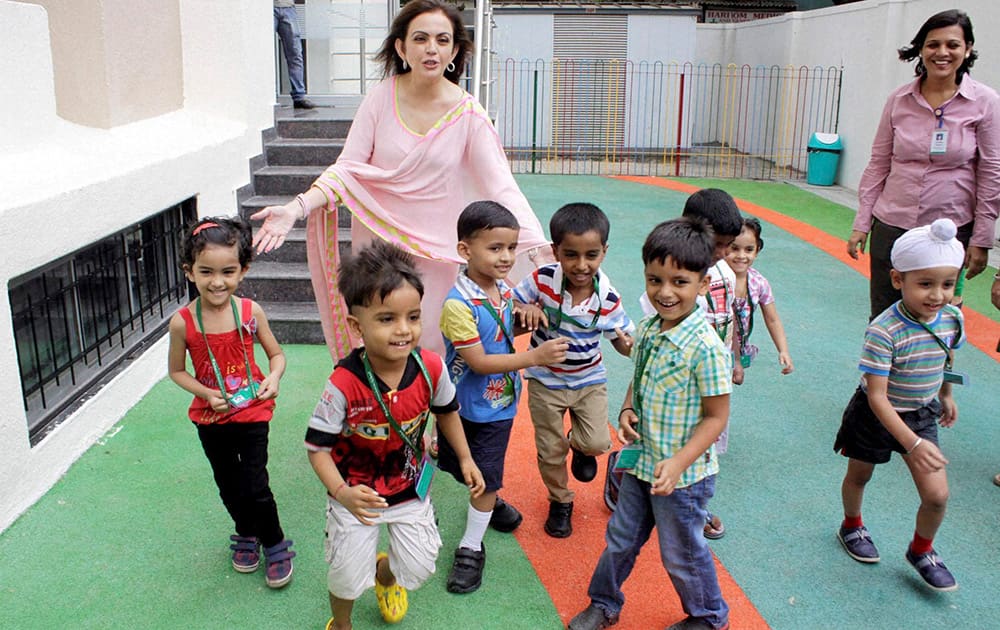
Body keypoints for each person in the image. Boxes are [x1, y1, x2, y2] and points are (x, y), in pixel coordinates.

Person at [252, 0, 551, 361]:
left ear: (454, 50)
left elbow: (501, 185)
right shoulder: (380, 98)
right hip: (379, 249)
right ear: (401, 47)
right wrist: (295, 208)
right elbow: (347, 169)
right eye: (421, 38)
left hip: (436, 255)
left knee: (431, 345)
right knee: (380, 342)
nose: (431, 48)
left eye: (442, 40)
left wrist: (538, 248)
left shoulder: (468, 113)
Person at [304, 240, 485, 629]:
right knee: (347, 577)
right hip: (357, 494)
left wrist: (467, 458)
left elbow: (448, 412)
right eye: (387, 319)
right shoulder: (343, 383)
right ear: (357, 326)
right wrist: (342, 493)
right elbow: (317, 448)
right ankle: (343, 623)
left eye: (413, 316)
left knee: (419, 567)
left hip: (407, 488)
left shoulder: (431, 368)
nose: (404, 330)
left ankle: (385, 575)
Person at [569, 217, 733, 630]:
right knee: (620, 540)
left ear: (702, 283)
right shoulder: (646, 330)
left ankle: (710, 616)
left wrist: (678, 463)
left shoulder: (707, 348)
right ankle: (604, 603)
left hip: (684, 476)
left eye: (679, 281)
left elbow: (716, 419)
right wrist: (626, 411)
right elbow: (638, 379)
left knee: (682, 554)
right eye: (654, 279)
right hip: (642, 464)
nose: (664, 292)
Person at [437, 201, 569, 594]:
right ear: (465, 250)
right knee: (457, 466)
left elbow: (503, 322)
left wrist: (525, 309)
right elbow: (477, 361)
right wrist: (535, 356)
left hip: (497, 407)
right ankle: (491, 504)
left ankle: (470, 545)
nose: (507, 257)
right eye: (495, 248)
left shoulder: (502, 290)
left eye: (511, 248)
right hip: (457, 406)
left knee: (486, 475)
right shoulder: (457, 305)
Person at [834, 218, 965, 592]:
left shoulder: (952, 318)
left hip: (921, 412)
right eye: (925, 284)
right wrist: (913, 443)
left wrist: (945, 394)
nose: (937, 295)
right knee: (860, 475)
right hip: (875, 414)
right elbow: (876, 396)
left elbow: (945, 357)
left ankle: (921, 549)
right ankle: (852, 524)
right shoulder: (883, 330)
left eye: (947, 284)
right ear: (897, 280)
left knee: (937, 495)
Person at [167, 216, 295, 589]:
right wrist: (206, 394)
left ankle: (273, 541)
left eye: (228, 271)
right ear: (190, 272)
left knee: (255, 483)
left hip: (253, 410)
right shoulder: (183, 323)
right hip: (211, 417)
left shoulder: (250, 312)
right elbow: (177, 371)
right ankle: (245, 531)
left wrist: (273, 378)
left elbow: (276, 355)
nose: (217, 281)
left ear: (244, 270)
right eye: (206, 271)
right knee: (227, 482)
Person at [847, 9, 999, 320]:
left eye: (953, 45)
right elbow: (878, 164)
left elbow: (991, 173)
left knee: (939, 318)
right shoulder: (898, 100)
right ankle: (881, 370)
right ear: (921, 49)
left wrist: (981, 238)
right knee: (885, 317)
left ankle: (933, 370)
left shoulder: (985, 102)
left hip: (950, 231)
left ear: (968, 49)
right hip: (893, 225)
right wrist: (862, 223)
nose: (942, 53)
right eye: (933, 44)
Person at [511, 202, 635, 539]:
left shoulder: (607, 297)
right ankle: (560, 500)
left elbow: (622, 342)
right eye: (571, 255)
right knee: (549, 450)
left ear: (604, 252)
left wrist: (626, 343)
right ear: (555, 251)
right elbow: (510, 301)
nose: (581, 265)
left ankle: (579, 446)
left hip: (589, 380)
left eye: (591, 255)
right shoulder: (542, 280)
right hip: (545, 380)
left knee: (598, 442)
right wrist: (525, 308)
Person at [634, 188, 742, 540]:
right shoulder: (667, 284)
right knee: (649, 432)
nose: (724, 253)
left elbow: (731, 318)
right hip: (671, 375)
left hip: (707, 368)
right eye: (718, 245)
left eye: (729, 245)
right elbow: (651, 350)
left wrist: (734, 359)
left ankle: (697, 502)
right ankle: (633, 479)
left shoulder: (720, 273)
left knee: (706, 443)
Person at [725, 217, 794, 376]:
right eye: (734, 248)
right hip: (712, 346)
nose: (741, 256)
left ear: (757, 250)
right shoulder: (714, 277)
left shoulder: (759, 283)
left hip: (738, 349)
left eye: (749, 249)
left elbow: (772, 319)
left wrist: (783, 350)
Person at [274, 1, 315, 109]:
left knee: (295, 54)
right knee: (263, 53)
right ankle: (264, 95)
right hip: (266, 9)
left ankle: (299, 96)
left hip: (288, 7)